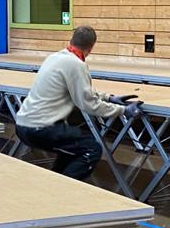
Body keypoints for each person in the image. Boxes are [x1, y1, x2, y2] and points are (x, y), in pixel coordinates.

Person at [14, 26, 142, 182]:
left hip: (23, 125)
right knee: (91, 149)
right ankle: (67, 190)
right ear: (91, 47)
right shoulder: (76, 64)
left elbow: (79, 90)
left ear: (71, 40)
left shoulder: (55, 57)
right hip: (41, 128)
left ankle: (56, 185)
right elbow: (89, 104)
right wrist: (123, 110)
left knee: (71, 149)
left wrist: (109, 98)